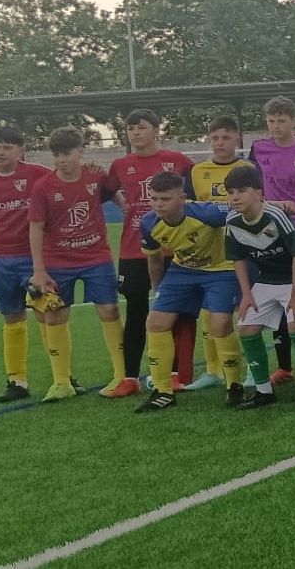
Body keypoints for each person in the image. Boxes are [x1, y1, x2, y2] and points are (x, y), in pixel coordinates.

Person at [27, 127, 124, 401]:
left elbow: (112, 192)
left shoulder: (95, 176)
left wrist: (125, 209)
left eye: (67, 153)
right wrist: (39, 270)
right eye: (56, 154)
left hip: (97, 258)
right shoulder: (43, 187)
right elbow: (35, 228)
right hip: (58, 260)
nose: (61, 160)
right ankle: (61, 382)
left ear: (80, 152)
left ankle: (121, 375)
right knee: (55, 314)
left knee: (109, 310)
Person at [103, 109, 194, 398]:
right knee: (137, 312)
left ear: (157, 130)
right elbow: (103, 193)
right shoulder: (119, 164)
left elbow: (194, 191)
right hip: (133, 250)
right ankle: (130, 377)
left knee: (175, 313)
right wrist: (126, 208)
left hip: (172, 250)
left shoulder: (177, 161)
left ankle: (177, 374)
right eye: (130, 128)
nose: (135, 133)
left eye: (141, 127)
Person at [135, 171, 242, 412]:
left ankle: (234, 385)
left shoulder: (208, 213)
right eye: (154, 199)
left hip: (220, 269)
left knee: (220, 325)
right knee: (156, 322)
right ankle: (162, 391)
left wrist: (280, 205)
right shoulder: (149, 223)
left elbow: (244, 208)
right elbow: (153, 261)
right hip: (182, 270)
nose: (159, 204)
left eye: (165, 199)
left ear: (182, 198)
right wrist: (158, 290)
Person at [224, 166, 295, 409]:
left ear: (259, 193)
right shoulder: (232, 220)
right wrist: (246, 294)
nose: (235, 197)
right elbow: (238, 259)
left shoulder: (275, 217)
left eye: (242, 191)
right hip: (267, 278)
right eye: (230, 192)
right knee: (246, 328)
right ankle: (263, 392)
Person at [0, 126, 53, 404]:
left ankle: (62, 376)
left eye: (7, 147)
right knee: (12, 317)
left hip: (35, 259)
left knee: (46, 313)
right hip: (0, 261)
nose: (1, 152)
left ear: (21, 149)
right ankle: (16, 381)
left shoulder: (39, 174)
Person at [249, 96, 295, 387]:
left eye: (281, 120)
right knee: (277, 300)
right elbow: (254, 186)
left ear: (294, 120)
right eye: (271, 120)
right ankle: (283, 366)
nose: (276, 126)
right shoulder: (259, 148)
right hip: (271, 233)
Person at [184, 115, 254, 392]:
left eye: (226, 137)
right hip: (206, 253)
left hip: (242, 250)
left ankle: (251, 369)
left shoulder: (248, 168)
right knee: (207, 312)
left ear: (237, 139)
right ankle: (213, 370)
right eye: (215, 138)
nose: (220, 143)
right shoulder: (196, 171)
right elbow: (188, 208)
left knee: (245, 311)